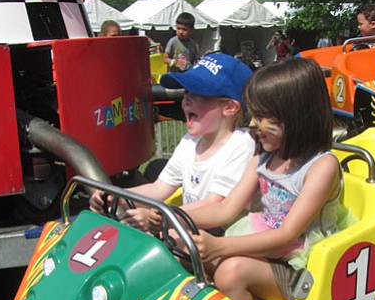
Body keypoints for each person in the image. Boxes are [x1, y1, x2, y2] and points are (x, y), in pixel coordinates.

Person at [184, 58, 343, 300]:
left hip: (302, 267)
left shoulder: (322, 167)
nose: (251, 125)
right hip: (267, 251)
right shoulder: (264, 157)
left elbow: (286, 235)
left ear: (296, 116)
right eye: (253, 115)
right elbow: (226, 209)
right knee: (183, 249)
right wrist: (173, 216)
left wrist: (218, 246)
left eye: (262, 116)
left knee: (230, 272)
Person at [89, 52, 255, 232]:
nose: (186, 100)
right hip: (188, 229)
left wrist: (160, 218)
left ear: (229, 107)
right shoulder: (189, 142)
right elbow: (159, 188)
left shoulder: (242, 144)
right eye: (186, 92)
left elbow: (215, 203)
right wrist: (118, 196)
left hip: (225, 238)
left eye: (199, 94)